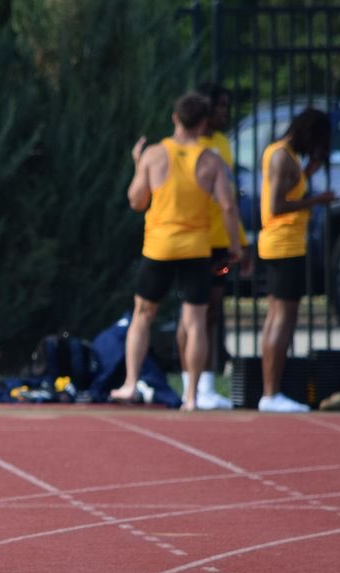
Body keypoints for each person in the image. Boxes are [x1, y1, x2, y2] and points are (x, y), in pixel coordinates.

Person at [110, 92, 244, 411]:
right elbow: (227, 205)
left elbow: (136, 201)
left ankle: (130, 383)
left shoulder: (154, 154)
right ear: (203, 123)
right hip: (196, 248)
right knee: (196, 320)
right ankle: (193, 395)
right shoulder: (211, 159)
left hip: (159, 247)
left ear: (174, 119)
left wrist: (137, 164)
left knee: (143, 315)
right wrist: (236, 246)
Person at [175, 81, 252, 410]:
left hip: (222, 244)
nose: (224, 113)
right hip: (196, 244)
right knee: (192, 311)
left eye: (226, 107)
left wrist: (241, 242)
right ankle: (188, 383)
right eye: (219, 107)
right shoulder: (187, 147)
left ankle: (204, 383)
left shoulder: (222, 143)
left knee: (212, 307)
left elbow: (229, 198)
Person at [256, 108, 336, 413]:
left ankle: (270, 391)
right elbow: (276, 205)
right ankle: (271, 392)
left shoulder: (285, 155)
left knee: (279, 316)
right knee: (282, 318)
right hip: (283, 244)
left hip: (285, 244)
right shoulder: (281, 156)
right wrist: (317, 200)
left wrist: (308, 174)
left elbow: (288, 187)